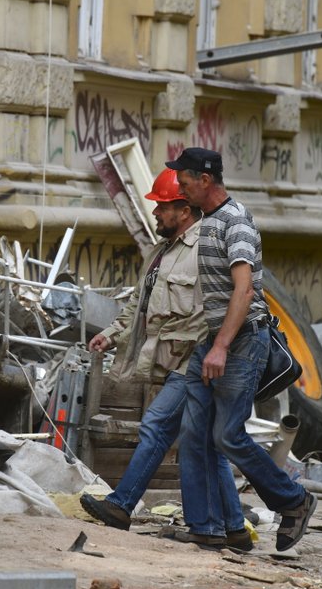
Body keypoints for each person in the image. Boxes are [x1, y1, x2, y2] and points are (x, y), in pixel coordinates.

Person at [79, 168, 251, 551]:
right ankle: (234, 527)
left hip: (195, 360)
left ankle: (122, 505)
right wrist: (111, 334)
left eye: (162, 207)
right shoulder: (162, 252)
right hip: (175, 361)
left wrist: (213, 352)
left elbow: (220, 309)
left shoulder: (207, 248)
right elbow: (140, 304)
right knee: (206, 442)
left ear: (184, 209)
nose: (155, 214)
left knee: (156, 425)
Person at [166, 147, 317, 552]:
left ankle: (295, 501)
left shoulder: (236, 223)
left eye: (185, 181)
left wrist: (220, 347)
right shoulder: (209, 220)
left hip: (240, 341)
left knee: (228, 435)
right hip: (214, 341)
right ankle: (208, 527)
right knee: (194, 433)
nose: (180, 189)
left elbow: (244, 290)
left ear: (205, 180)